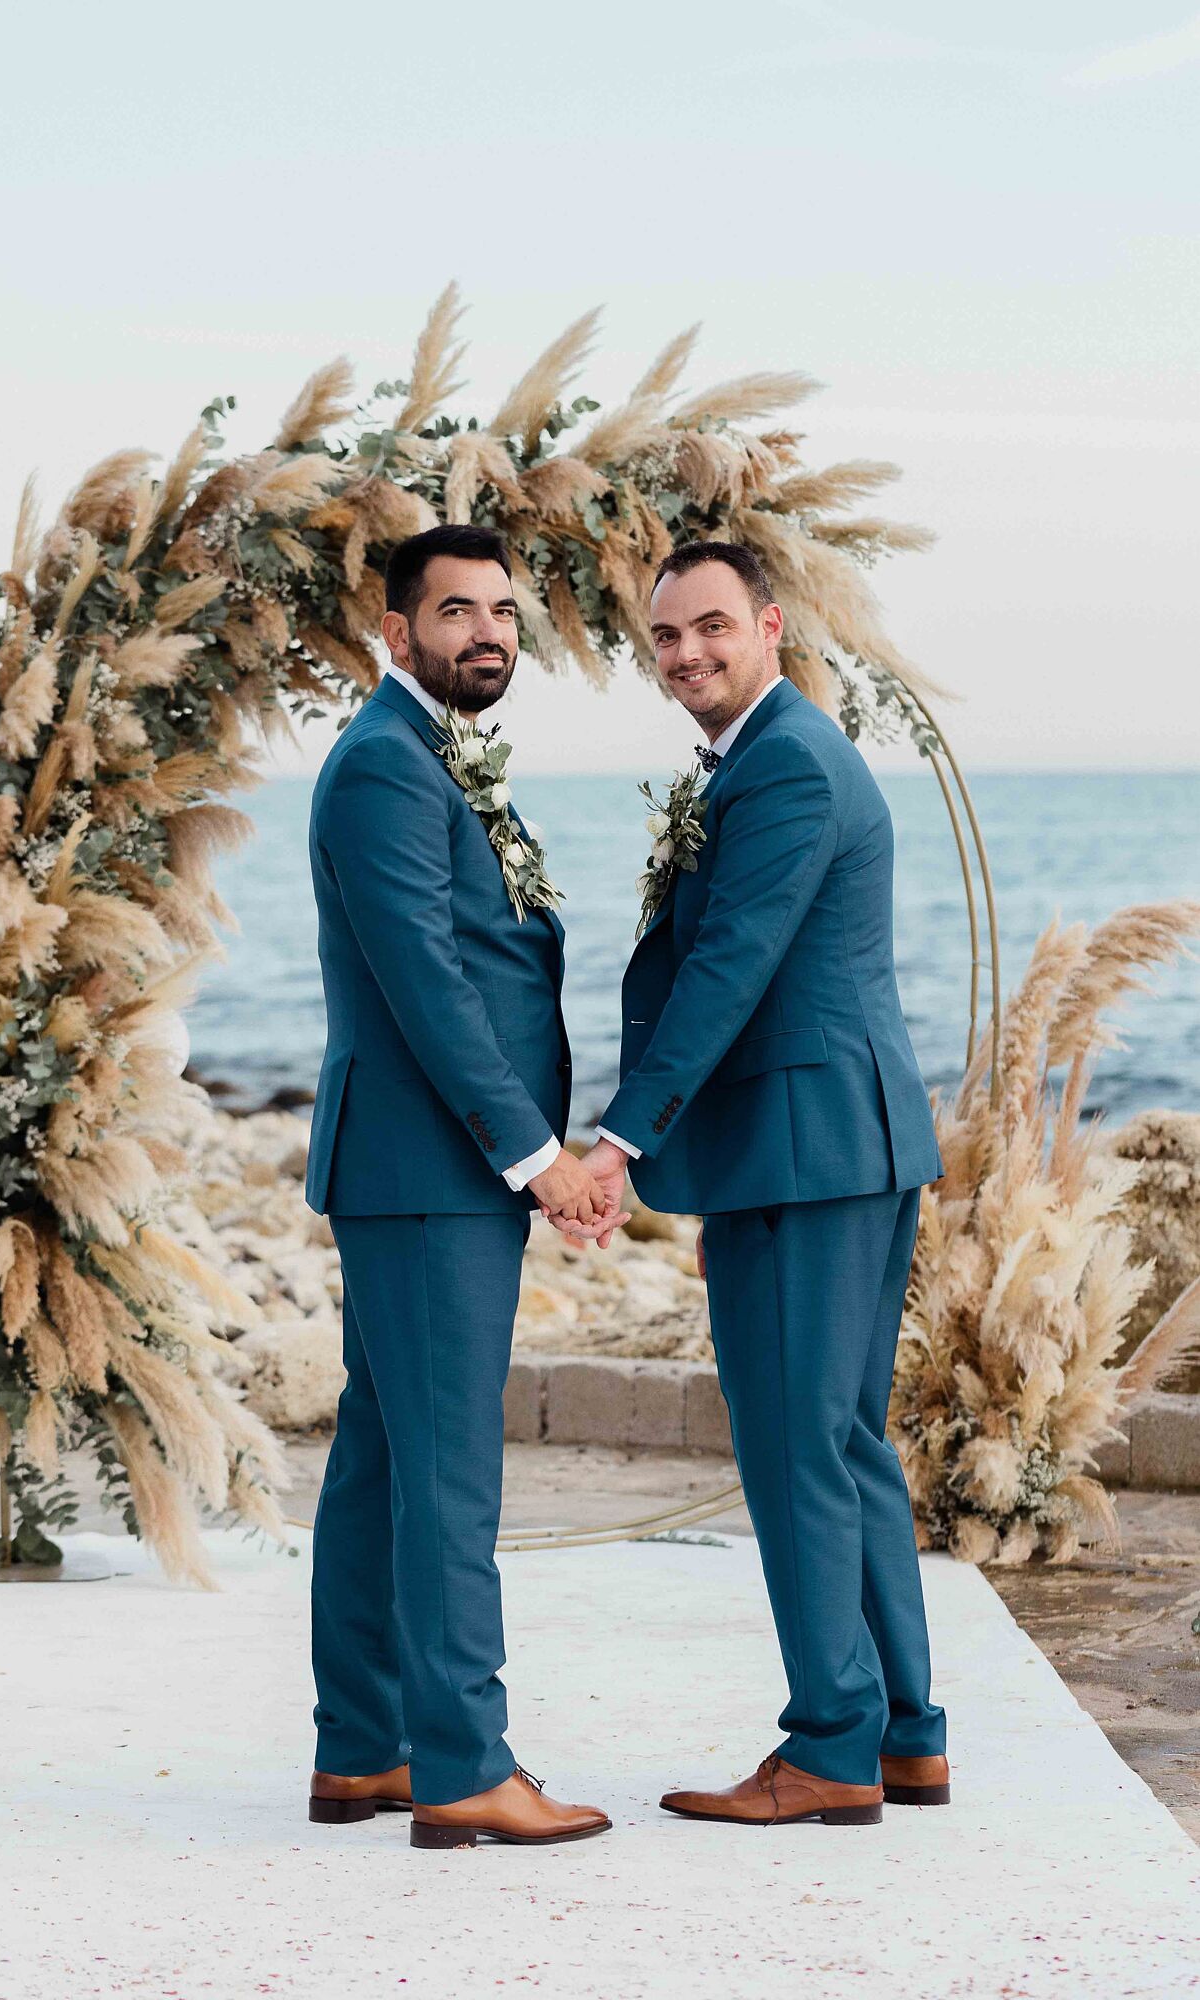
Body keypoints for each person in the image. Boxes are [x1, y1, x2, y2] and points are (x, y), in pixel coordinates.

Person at [564, 540, 950, 1828]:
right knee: (846, 1445)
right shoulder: (774, 756)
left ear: (772, 626)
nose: (689, 656)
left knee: (796, 1453)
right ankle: (907, 1732)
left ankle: (832, 1747)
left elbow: (729, 966)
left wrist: (621, 1139)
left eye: (712, 628)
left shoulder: (784, 765)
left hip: (803, 1151)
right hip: (844, 1140)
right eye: (667, 638)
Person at [303, 524, 614, 1849]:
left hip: (417, 1173)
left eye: (499, 608)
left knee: (384, 1455)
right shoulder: (384, 767)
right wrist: (536, 1156)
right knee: (447, 1473)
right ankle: (463, 1764)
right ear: (395, 632)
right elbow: (425, 984)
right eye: (452, 611)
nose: (484, 629)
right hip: (430, 1173)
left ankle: (363, 1749)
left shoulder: (429, 758)